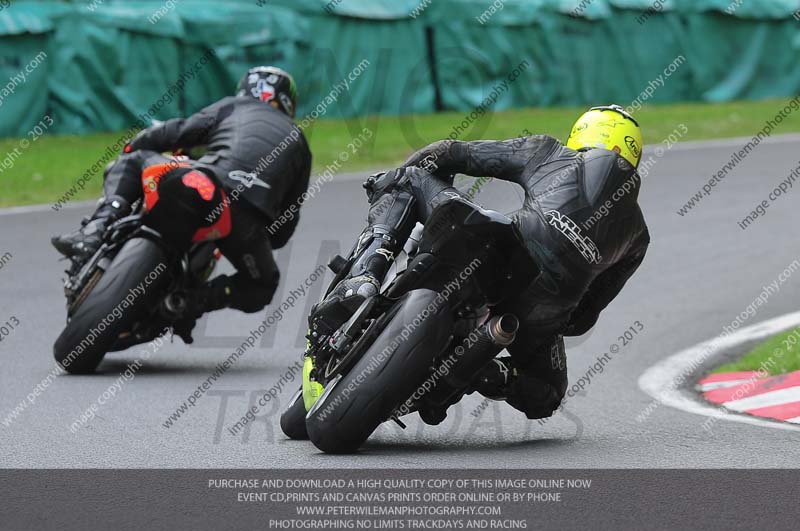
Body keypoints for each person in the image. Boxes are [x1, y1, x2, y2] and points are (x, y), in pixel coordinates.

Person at [309, 104, 649, 421]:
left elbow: (451, 152)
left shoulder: (549, 151)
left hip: (496, 253)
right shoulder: (638, 236)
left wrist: (400, 174)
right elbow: (584, 319)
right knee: (547, 395)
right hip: (541, 314)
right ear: (632, 154)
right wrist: (550, 316)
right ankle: (477, 372)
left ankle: (365, 275)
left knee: (408, 179)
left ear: (581, 135)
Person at [52, 66, 311, 342]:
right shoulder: (300, 146)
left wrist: (133, 146)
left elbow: (178, 131)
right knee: (262, 284)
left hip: (204, 184)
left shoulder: (233, 107)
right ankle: (190, 301)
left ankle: (95, 230)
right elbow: (283, 230)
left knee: (133, 160)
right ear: (287, 101)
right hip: (245, 221)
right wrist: (256, 237)